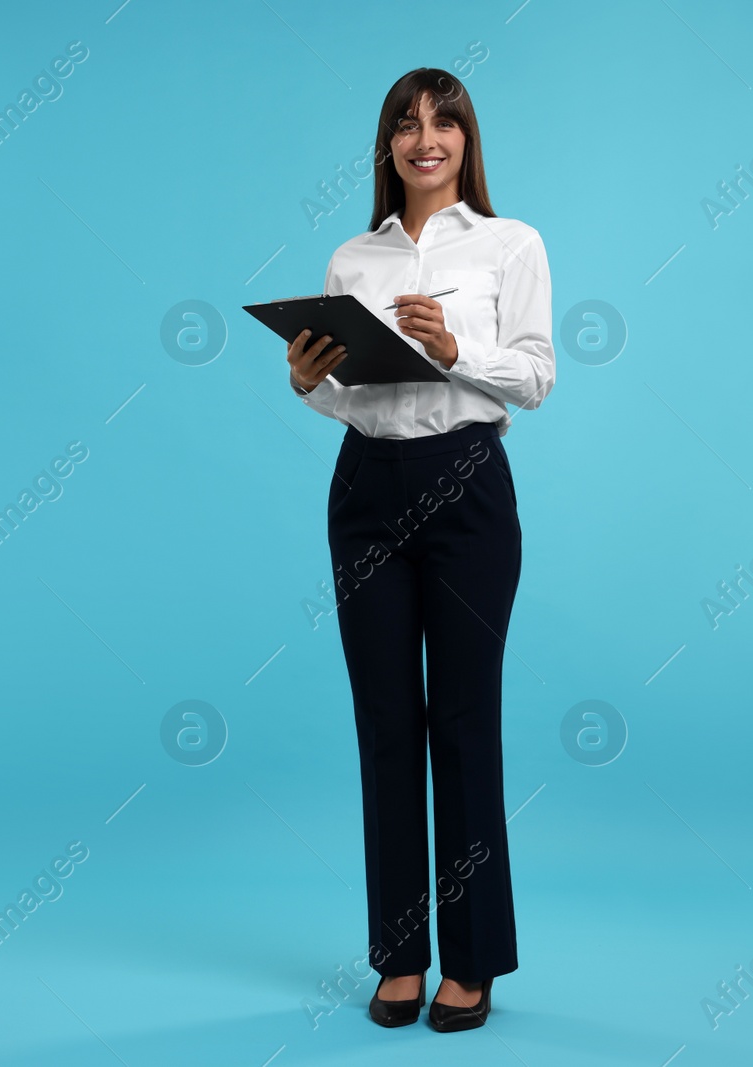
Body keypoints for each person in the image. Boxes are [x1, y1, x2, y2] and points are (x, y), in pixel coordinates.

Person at [285, 67, 555, 1032]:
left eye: (443, 122)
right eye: (406, 123)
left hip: (467, 487)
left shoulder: (510, 243)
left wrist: (452, 354)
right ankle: (400, 953)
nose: (424, 138)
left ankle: (471, 959)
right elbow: (344, 399)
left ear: (467, 140)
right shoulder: (352, 256)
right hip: (365, 489)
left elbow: (534, 374)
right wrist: (308, 380)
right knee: (386, 724)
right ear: (387, 145)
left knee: (463, 724)